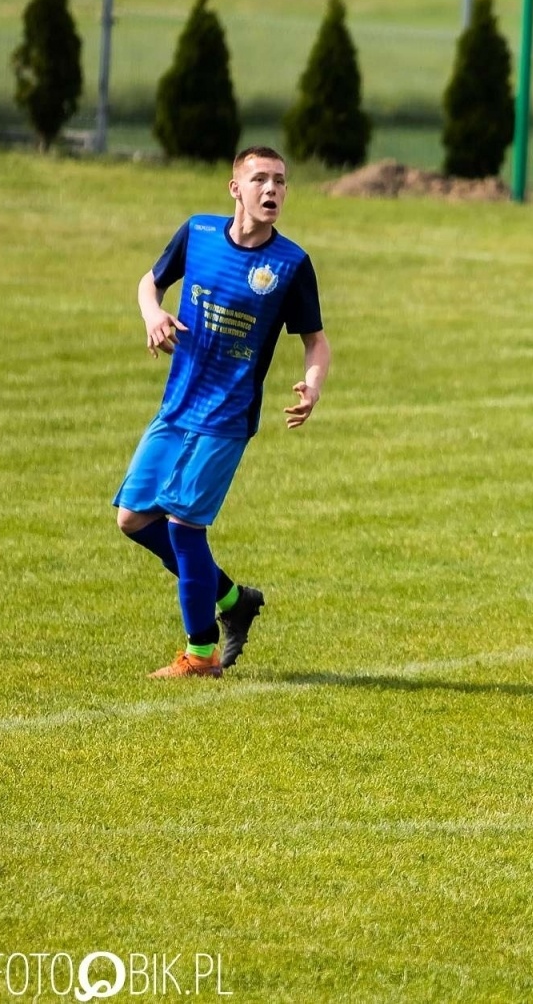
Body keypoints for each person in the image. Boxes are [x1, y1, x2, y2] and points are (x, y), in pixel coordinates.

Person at [113, 145, 330, 678]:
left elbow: (316, 341)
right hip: (178, 404)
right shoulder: (199, 234)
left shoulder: (291, 264)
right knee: (133, 519)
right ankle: (234, 600)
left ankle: (202, 653)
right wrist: (152, 313)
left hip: (228, 415)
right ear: (236, 188)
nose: (272, 189)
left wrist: (312, 385)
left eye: (280, 180)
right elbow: (150, 281)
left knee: (185, 527)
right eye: (260, 179)